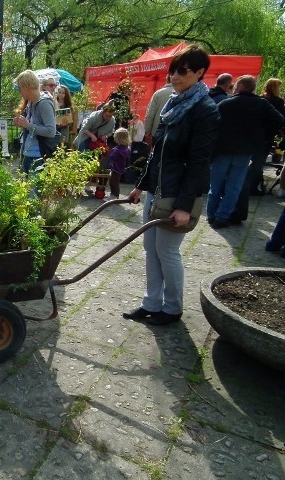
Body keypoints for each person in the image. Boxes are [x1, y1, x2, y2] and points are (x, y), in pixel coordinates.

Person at [125, 45, 220, 326]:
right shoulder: (173, 105)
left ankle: (172, 308)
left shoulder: (205, 110)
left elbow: (199, 162)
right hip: (158, 190)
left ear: (200, 73)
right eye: (173, 70)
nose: (174, 76)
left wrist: (183, 206)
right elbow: (157, 154)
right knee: (151, 249)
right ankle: (151, 302)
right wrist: (141, 186)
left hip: (177, 195)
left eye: (182, 71)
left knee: (167, 251)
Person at [207, 75, 283, 228]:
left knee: (215, 185)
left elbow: (210, 124)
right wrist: (263, 131)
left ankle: (211, 215)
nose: (233, 88)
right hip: (245, 151)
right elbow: (280, 120)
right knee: (234, 187)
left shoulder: (225, 104)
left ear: (240, 87)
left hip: (223, 150)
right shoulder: (262, 104)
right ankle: (222, 217)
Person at [12, 69, 58, 176]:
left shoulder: (44, 103)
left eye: (20, 88)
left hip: (38, 156)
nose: (19, 91)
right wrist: (20, 122)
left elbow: (51, 131)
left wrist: (28, 125)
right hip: (27, 153)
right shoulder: (31, 102)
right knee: (26, 191)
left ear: (27, 86)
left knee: (33, 192)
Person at [143, 76, 172, 145]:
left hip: (158, 132)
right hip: (175, 133)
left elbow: (150, 114)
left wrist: (147, 131)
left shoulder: (158, 94)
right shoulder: (183, 93)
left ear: (167, 80)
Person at [106, 127, 131, 199]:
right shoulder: (126, 148)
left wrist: (112, 151)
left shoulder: (117, 149)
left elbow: (112, 157)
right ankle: (113, 195)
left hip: (116, 168)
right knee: (114, 182)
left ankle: (115, 196)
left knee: (114, 182)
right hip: (120, 168)